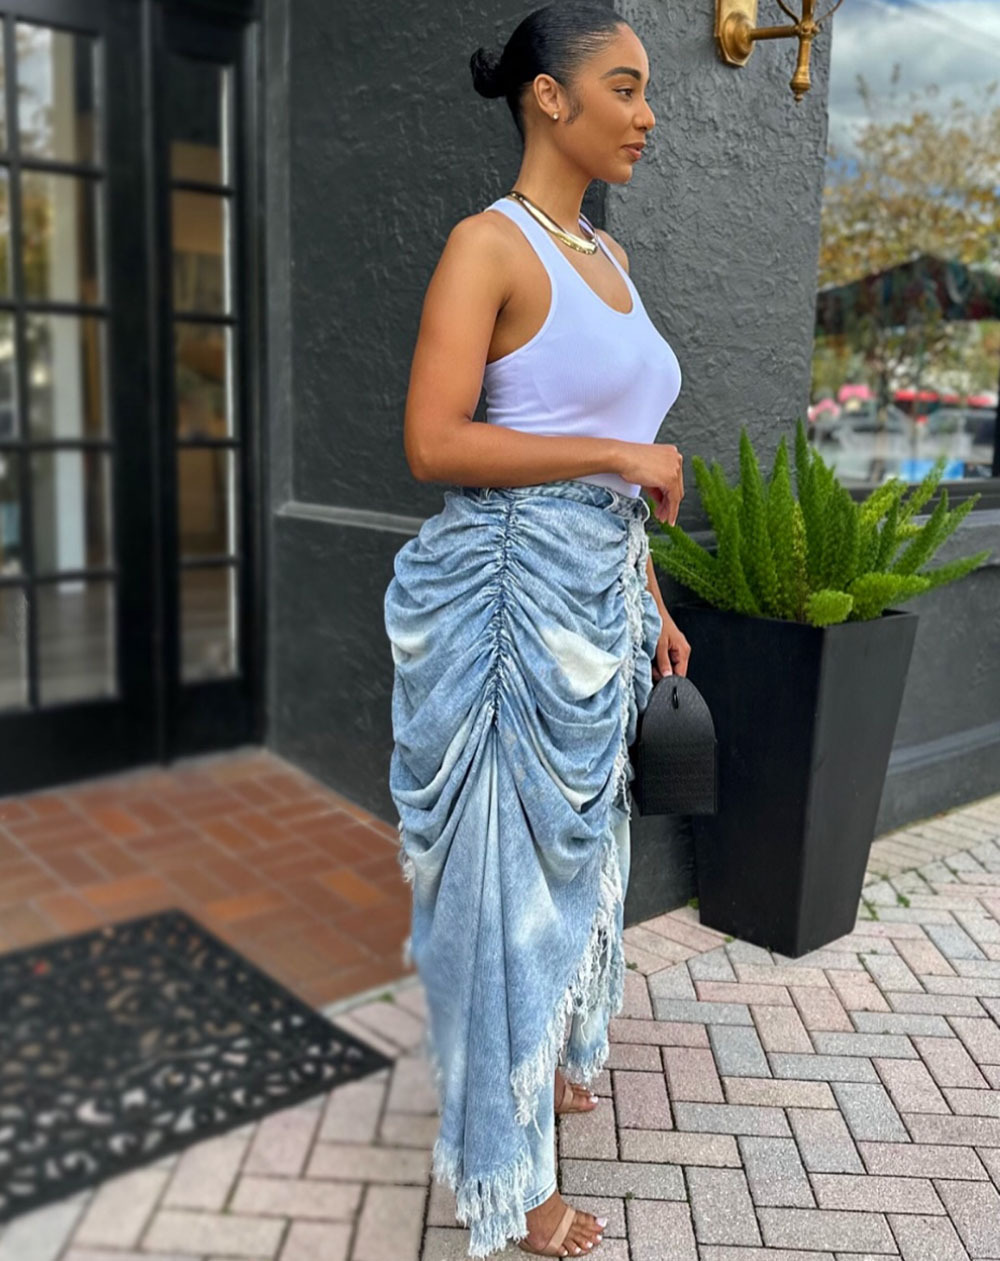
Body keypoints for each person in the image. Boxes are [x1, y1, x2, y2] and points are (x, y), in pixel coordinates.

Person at [383, 4, 691, 1256]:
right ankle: (508, 1182)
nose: (647, 113)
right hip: (511, 605)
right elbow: (433, 440)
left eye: (648, 88)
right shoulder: (488, 246)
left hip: (601, 606)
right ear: (548, 98)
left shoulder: (607, 255)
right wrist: (619, 452)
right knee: (505, 891)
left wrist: (653, 603)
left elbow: (619, 469)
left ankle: (541, 1067)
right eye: (623, 85)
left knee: (576, 864)